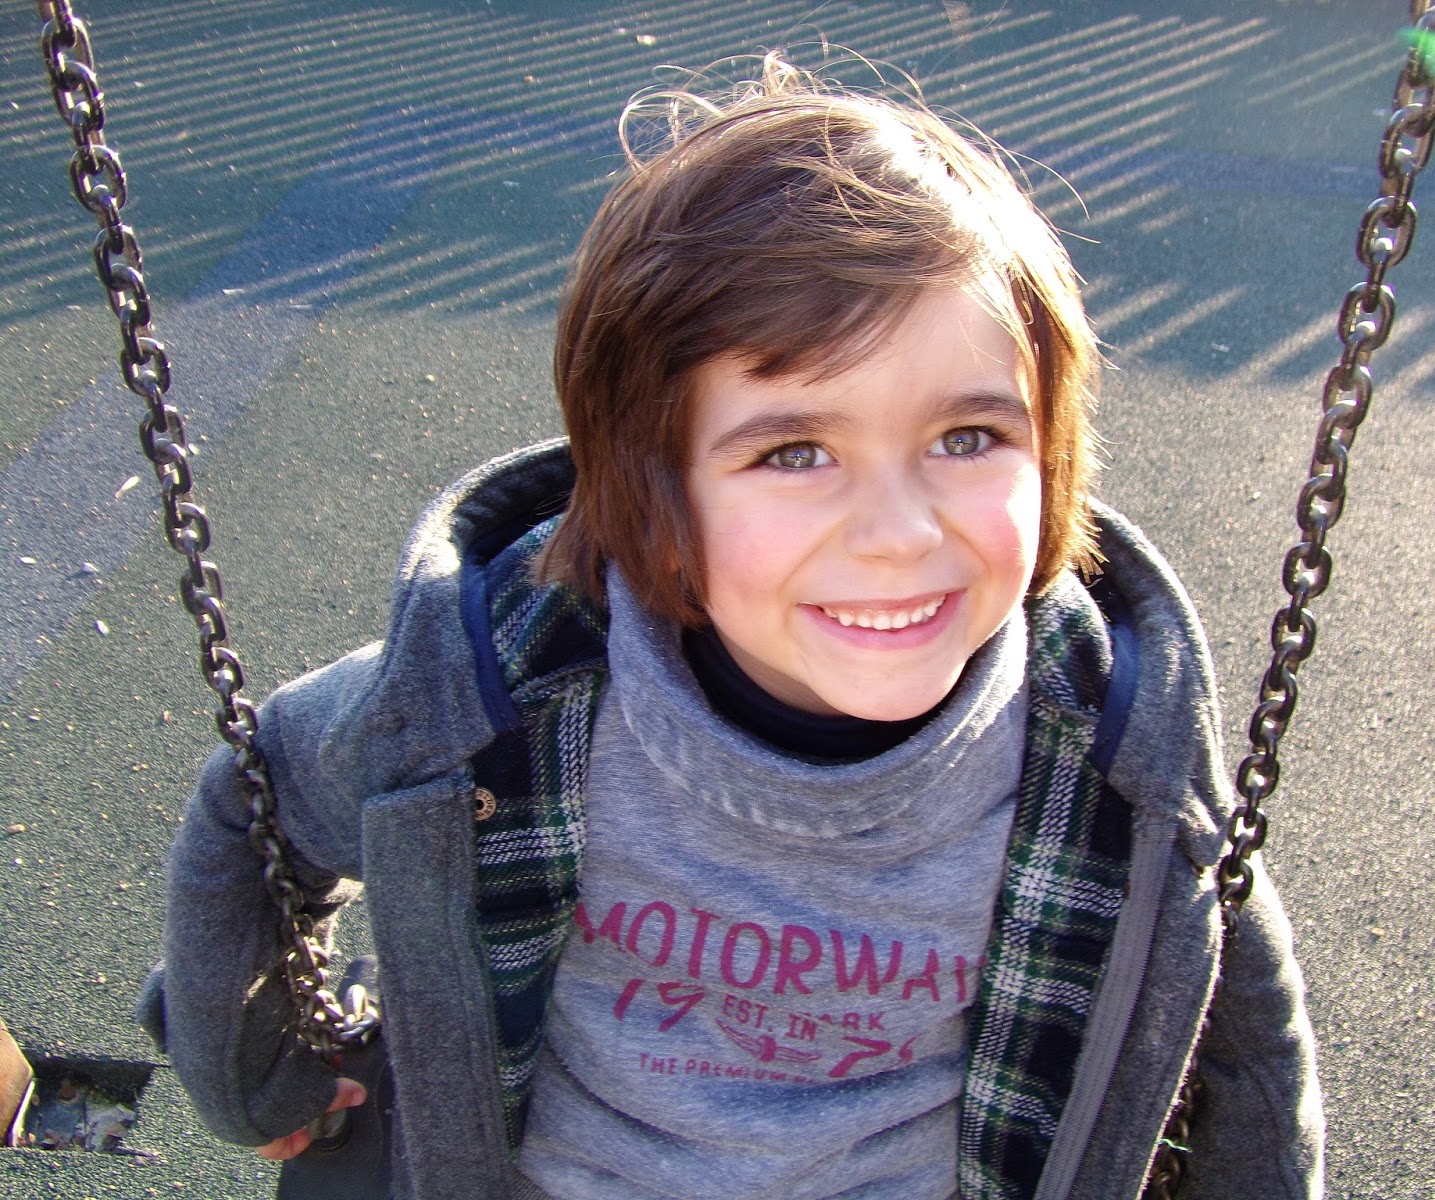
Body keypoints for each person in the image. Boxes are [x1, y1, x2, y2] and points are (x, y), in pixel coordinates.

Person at [143, 53, 1323, 1200]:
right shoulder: (494, 698)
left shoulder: (1112, 763)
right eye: (795, 452)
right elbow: (260, 801)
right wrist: (257, 1071)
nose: (897, 532)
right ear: (650, 487)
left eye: (967, 439)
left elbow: (1242, 1029)